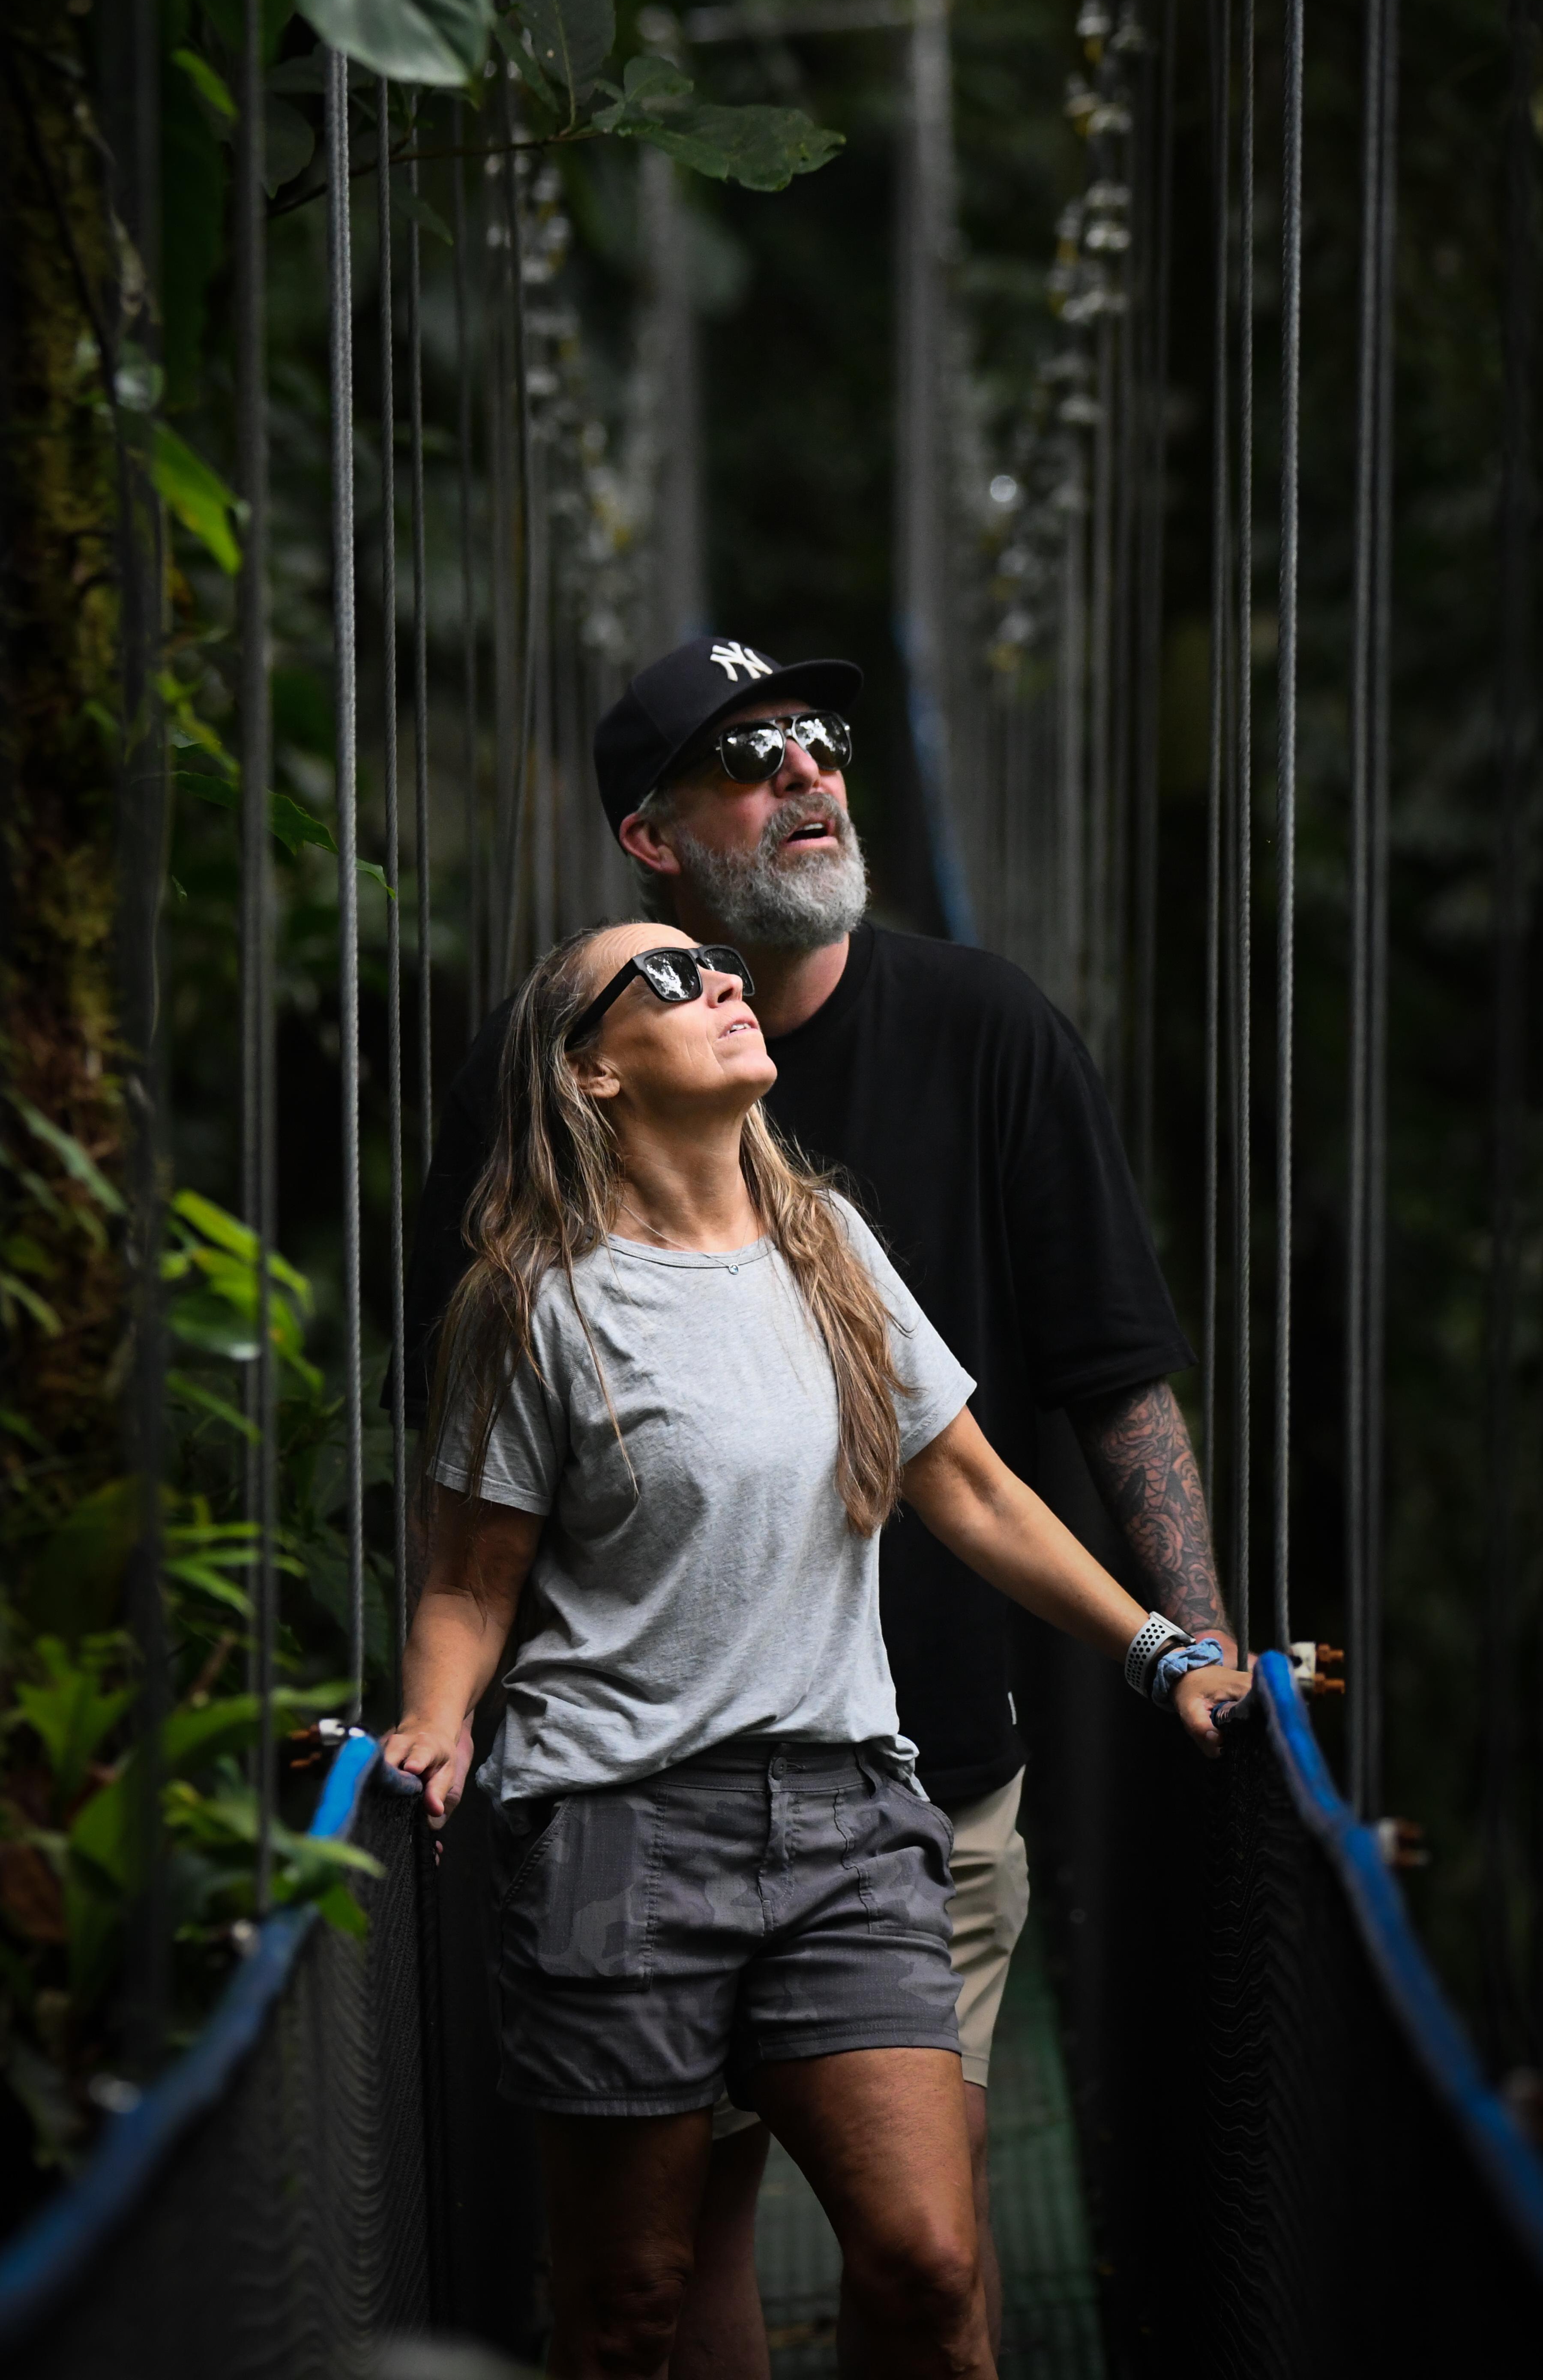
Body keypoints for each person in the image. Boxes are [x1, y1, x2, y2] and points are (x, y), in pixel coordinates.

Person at [397, 636, 1234, 2371]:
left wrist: (1185, 1647)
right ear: (650, 843)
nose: (805, 770)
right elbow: (473, 1530)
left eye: (820, 737)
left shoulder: (888, 1162)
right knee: (658, 2288)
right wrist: (436, 1717)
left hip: (902, 1789)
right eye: (746, 752)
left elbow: (1017, 1449)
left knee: (930, 2262)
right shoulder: (528, 1233)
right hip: (620, 1815)